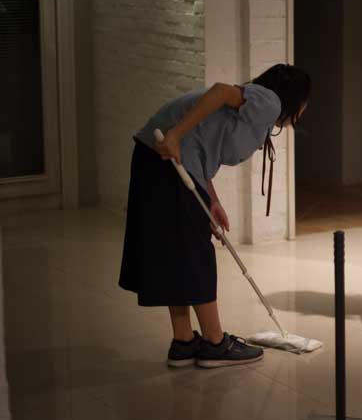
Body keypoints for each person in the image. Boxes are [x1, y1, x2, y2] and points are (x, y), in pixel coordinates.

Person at [119, 64, 311, 368]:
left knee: (178, 253)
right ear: (296, 98)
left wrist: (212, 201)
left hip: (157, 160)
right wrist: (174, 135)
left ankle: (184, 342)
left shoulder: (253, 107)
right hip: (166, 160)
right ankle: (215, 342)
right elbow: (220, 91)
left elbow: (202, 146)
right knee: (196, 253)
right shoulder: (269, 102)